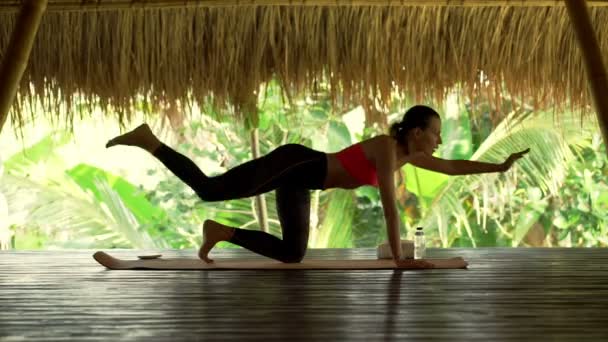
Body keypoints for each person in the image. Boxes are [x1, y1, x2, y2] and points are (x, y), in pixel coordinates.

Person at [105, 105, 529, 268]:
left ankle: (221, 232)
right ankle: (151, 141)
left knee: (292, 253)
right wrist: (400, 259)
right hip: (297, 163)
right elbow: (388, 207)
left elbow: (453, 167)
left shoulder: (409, 155)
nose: (438, 140)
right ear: (416, 131)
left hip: (304, 182)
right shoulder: (385, 148)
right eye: (435, 132)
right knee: (210, 189)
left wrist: (499, 166)